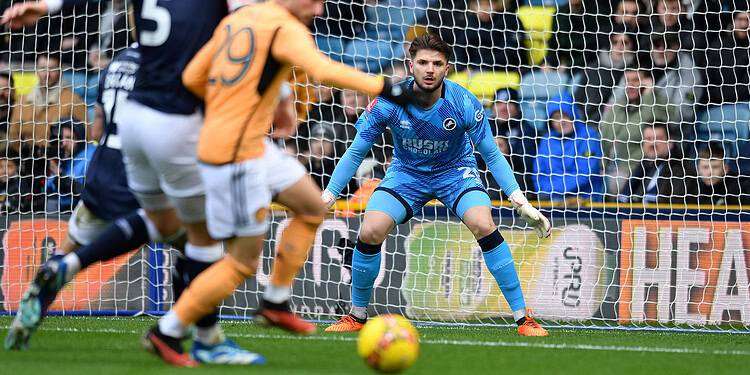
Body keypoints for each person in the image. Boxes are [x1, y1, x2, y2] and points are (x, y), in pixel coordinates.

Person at [149, 0, 418, 367]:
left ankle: (276, 301)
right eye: (314, 0)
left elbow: (193, 77)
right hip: (237, 154)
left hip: (242, 142)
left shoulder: (239, 18)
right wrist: (388, 87)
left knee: (312, 206)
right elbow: (321, 70)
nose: (320, 9)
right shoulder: (283, 26)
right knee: (241, 262)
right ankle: (168, 330)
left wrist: (238, 104)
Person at [1, 0, 261, 366]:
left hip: (104, 167)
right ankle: (198, 332)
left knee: (71, 244)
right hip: (148, 167)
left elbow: (96, 127)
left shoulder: (116, 63)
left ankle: (31, 309)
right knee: (200, 248)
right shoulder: (177, 61)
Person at [320, 34, 551, 336]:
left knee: (483, 223)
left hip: (455, 173)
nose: (430, 69)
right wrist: (328, 195)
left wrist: (520, 200)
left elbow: (491, 154)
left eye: (437, 64)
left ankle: (523, 318)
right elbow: (356, 151)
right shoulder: (388, 100)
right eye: (423, 62)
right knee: (370, 229)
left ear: (447, 68)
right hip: (406, 175)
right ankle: (356, 315)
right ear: (410, 65)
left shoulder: (464, 102)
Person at [599, 67, 674, 194]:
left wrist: (648, 95)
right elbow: (605, 136)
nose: (630, 85)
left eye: (636, 80)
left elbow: (652, 125)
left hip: (634, 168)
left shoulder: (659, 104)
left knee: (616, 182)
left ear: (647, 82)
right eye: (627, 81)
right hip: (608, 166)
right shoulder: (619, 105)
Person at [534, 92, 604, 202]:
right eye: (556, 118)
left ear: (573, 115)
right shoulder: (546, 140)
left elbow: (585, 173)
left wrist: (553, 190)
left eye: (565, 116)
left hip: (585, 200)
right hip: (551, 200)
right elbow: (538, 175)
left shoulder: (588, 136)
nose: (561, 121)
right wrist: (547, 192)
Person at [619, 122, 697, 204]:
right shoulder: (642, 168)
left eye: (658, 138)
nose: (652, 143)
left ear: (670, 142)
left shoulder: (683, 171)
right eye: (648, 139)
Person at [483, 88, 536, 200]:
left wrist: (507, 153)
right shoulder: (483, 128)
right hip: (486, 177)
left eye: (508, 103)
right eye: (498, 103)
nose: (503, 108)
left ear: (517, 107)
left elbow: (527, 166)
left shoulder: (526, 130)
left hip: (516, 181)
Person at [45, 120, 95, 212]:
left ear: (79, 137)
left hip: (83, 212)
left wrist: (60, 176)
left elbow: (89, 194)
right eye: (61, 138)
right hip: (62, 211)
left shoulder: (90, 157)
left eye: (69, 138)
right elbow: (48, 188)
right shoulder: (66, 157)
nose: (63, 144)